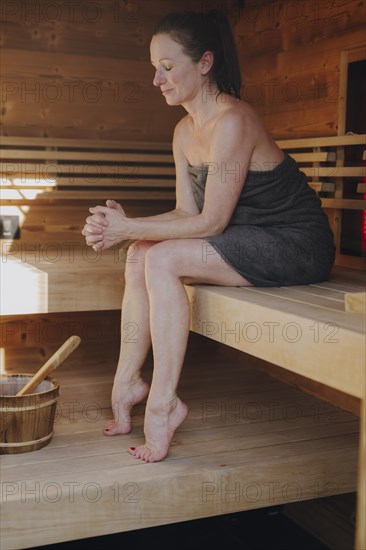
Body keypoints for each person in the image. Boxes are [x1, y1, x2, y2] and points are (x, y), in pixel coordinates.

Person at [81, 10, 335, 463]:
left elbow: (211, 223)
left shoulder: (234, 121)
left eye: (167, 66)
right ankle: (126, 384)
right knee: (140, 254)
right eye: (153, 67)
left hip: (294, 243)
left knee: (159, 258)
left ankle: (163, 404)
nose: (157, 79)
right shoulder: (183, 131)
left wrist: (128, 228)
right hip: (244, 236)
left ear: (204, 63)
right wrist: (126, 227)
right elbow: (187, 212)